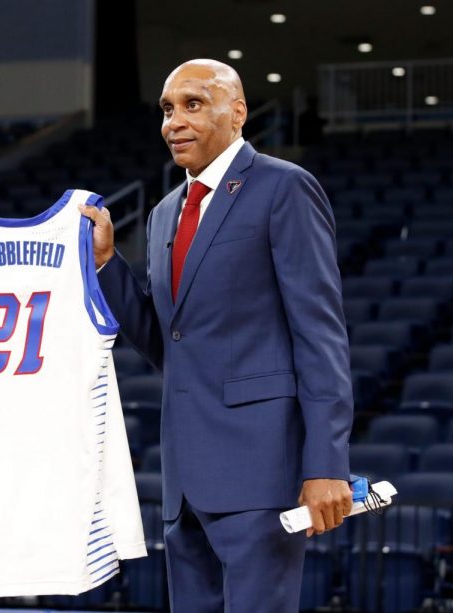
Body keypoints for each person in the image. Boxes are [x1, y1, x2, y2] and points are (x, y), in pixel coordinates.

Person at [79, 59, 354, 611]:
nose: (174, 121)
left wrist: (326, 464)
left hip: (262, 470)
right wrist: (108, 263)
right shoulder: (161, 214)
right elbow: (168, 343)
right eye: (166, 109)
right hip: (184, 478)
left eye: (193, 104)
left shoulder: (284, 187)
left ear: (238, 110)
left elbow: (319, 333)